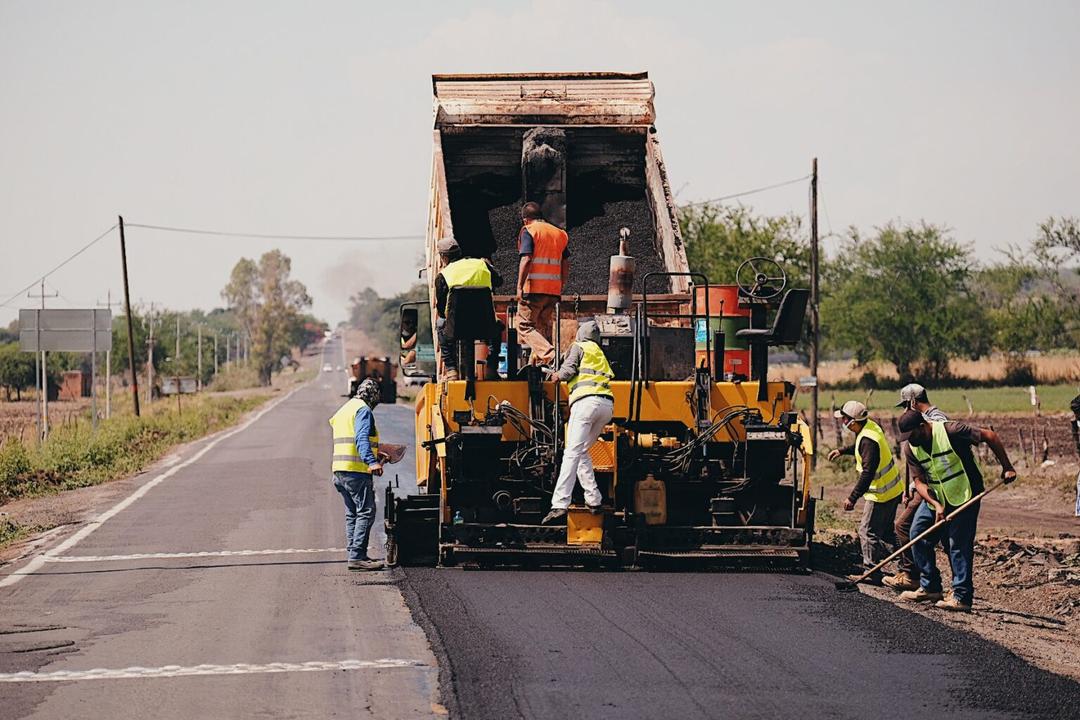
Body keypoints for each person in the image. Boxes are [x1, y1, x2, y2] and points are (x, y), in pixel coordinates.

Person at [896, 409, 1017, 611]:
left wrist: (1006, 466)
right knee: (917, 534)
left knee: (957, 543)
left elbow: (990, 435)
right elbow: (918, 481)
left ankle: (962, 596)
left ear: (922, 426)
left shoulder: (951, 431)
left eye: (913, 435)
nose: (911, 440)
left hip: (965, 493)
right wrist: (936, 505)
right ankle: (930, 586)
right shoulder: (912, 448)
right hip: (937, 498)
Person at [542, 321, 614, 525]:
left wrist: (556, 375)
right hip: (606, 406)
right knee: (581, 451)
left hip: (586, 404)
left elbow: (568, 370)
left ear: (580, 334)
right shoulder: (598, 352)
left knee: (571, 453)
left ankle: (559, 504)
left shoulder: (578, 346)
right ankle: (594, 499)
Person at [827, 400, 904, 582]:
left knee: (866, 531)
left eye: (845, 419)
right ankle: (908, 566)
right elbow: (861, 447)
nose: (842, 422)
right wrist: (842, 450)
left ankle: (871, 572)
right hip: (892, 491)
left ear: (853, 421)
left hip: (881, 494)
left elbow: (868, 472)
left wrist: (852, 498)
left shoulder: (868, 440)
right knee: (885, 533)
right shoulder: (870, 427)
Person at [883, 383, 950, 591]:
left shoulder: (936, 420)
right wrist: (911, 486)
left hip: (937, 487)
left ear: (913, 402)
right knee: (909, 529)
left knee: (907, 528)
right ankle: (914, 574)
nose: (904, 411)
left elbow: (933, 458)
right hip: (923, 485)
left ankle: (916, 576)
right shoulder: (920, 422)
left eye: (905, 405)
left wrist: (916, 485)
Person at [328, 378, 387, 571]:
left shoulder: (345, 409)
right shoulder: (363, 410)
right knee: (366, 511)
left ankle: (354, 553)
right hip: (355, 472)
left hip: (339, 470)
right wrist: (372, 462)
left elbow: (352, 440)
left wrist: (376, 454)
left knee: (352, 513)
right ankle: (357, 556)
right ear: (373, 396)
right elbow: (360, 437)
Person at [434, 237, 503, 381]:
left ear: (443, 257)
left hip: (456, 327)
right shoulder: (482, 264)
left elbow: (441, 309)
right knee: (499, 326)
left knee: (440, 324)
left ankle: (451, 369)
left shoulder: (443, 275)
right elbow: (499, 281)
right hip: (485, 325)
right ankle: (491, 365)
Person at [515, 201, 569, 368]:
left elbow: (526, 258)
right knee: (542, 327)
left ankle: (551, 356)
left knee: (524, 326)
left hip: (533, 290)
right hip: (552, 291)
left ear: (526, 219)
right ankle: (538, 366)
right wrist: (561, 284)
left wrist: (519, 286)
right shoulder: (559, 234)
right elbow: (566, 262)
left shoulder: (529, 231)